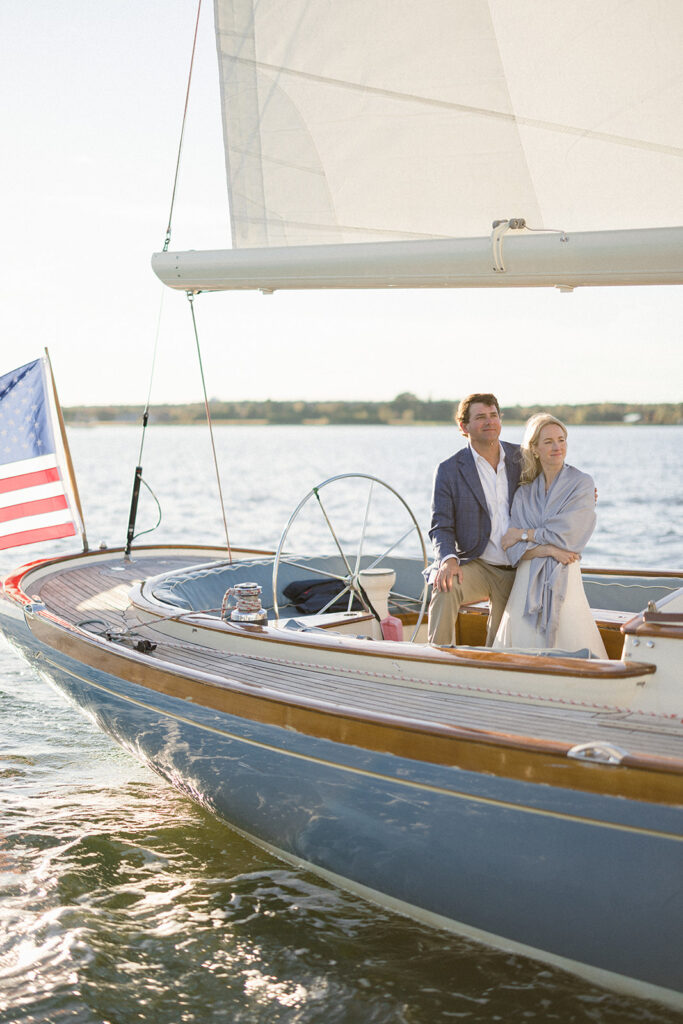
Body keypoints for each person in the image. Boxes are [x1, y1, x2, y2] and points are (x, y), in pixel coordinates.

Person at [493, 413, 607, 658]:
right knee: (521, 653)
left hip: (564, 574)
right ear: (534, 449)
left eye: (561, 440)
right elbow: (511, 550)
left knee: (571, 646)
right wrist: (548, 549)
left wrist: (524, 534)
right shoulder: (524, 493)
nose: (557, 447)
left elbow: (569, 539)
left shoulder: (582, 484)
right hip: (526, 583)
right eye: (548, 442)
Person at [427, 393, 522, 646]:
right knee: (445, 585)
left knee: (499, 648)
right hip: (478, 563)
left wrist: (583, 493)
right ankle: (436, 657)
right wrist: (448, 559)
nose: (489, 422)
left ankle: (490, 667)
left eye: (493, 415)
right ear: (464, 426)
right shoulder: (448, 470)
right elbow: (441, 525)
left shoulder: (522, 458)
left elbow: (556, 482)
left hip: (519, 567)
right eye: (480, 417)